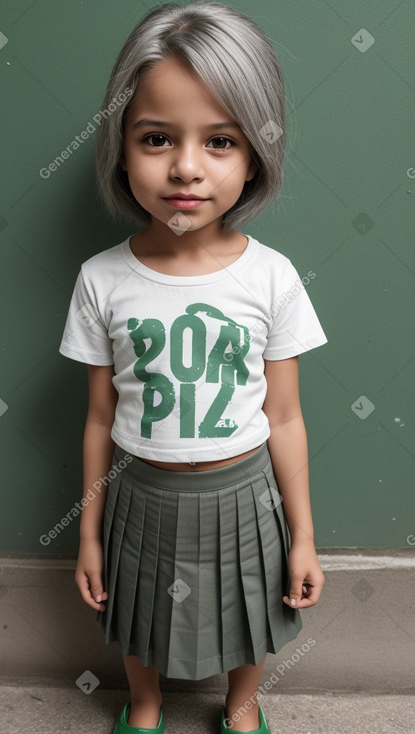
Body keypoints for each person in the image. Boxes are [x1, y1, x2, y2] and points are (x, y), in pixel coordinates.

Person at [59, 3, 328, 733]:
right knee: (137, 603)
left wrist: (301, 536)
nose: (184, 166)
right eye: (155, 138)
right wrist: (88, 534)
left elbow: (284, 415)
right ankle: (142, 706)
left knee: (254, 600)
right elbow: (97, 416)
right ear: (120, 146)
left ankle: (241, 708)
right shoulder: (101, 280)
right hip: (138, 488)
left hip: (246, 491)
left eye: (219, 141)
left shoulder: (271, 279)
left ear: (254, 155)